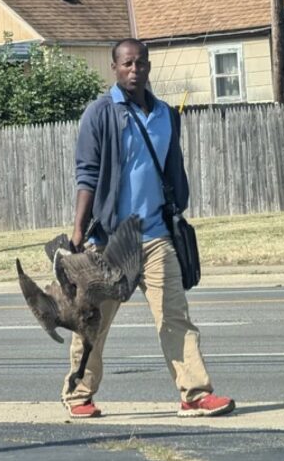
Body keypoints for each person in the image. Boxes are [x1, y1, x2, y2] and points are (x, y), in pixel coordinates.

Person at [63, 37, 235, 419]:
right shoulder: (100, 113)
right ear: (114, 68)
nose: (134, 70)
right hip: (110, 242)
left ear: (149, 67)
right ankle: (79, 396)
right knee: (93, 323)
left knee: (175, 316)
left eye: (140, 63)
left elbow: (172, 170)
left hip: (156, 236)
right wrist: (77, 232)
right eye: (126, 64)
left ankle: (194, 394)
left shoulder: (166, 116)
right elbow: (87, 174)